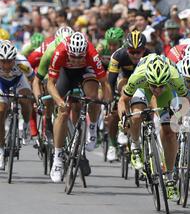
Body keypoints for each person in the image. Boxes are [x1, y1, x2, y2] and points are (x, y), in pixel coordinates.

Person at [118, 54, 188, 201]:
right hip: (142, 89)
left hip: (168, 94)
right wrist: (124, 118)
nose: (157, 89)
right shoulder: (139, 76)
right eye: (154, 86)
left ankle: (169, 179)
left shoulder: (175, 78)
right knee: (136, 116)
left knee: (169, 132)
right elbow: (123, 100)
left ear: (167, 80)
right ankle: (136, 148)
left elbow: (185, 100)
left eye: (160, 86)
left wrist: (180, 116)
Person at [47, 32, 112, 183]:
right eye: (73, 57)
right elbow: (50, 84)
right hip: (66, 73)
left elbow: (104, 83)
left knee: (92, 97)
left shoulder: (91, 53)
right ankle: (57, 158)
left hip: (86, 71)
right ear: (68, 52)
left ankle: (92, 128)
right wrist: (59, 101)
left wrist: (107, 103)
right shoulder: (60, 52)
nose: (76, 60)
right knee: (62, 113)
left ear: (85, 52)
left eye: (79, 57)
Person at [106, 30, 152, 161]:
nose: (136, 55)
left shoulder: (150, 55)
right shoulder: (118, 55)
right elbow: (111, 81)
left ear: (144, 50)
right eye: (132, 51)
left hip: (144, 80)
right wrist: (111, 99)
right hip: (125, 78)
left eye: (139, 51)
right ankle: (123, 126)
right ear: (126, 49)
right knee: (124, 89)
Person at [0, 41, 34, 168]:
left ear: (14, 59)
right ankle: (1, 151)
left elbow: (33, 79)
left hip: (18, 81)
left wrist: (35, 96)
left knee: (26, 100)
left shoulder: (22, 63)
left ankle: (25, 126)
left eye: (9, 61)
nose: (6, 65)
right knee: (1, 110)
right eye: (2, 61)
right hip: (1, 83)